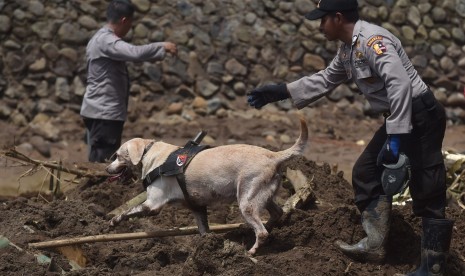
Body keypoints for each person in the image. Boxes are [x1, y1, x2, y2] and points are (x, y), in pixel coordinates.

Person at [247, 0, 453, 275]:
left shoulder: (373, 41)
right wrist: (281, 91)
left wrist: (396, 137)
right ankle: (374, 245)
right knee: (366, 173)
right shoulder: (348, 49)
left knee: (427, 184)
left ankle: (433, 266)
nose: (319, 26)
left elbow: (400, 84)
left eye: (323, 20)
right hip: (400, 117)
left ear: (338, 17)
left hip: (420, 114)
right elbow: (326, 79)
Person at [80, 0, 177, 163]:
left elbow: (134, 55)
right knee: (103, 163)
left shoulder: (101, 39)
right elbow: (134, 53)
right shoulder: (106, 40)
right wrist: (162, 46)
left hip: (101, 112)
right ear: (124, 21)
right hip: (104, 114)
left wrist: (159, 53)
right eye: (131, 23)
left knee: (100, 160)